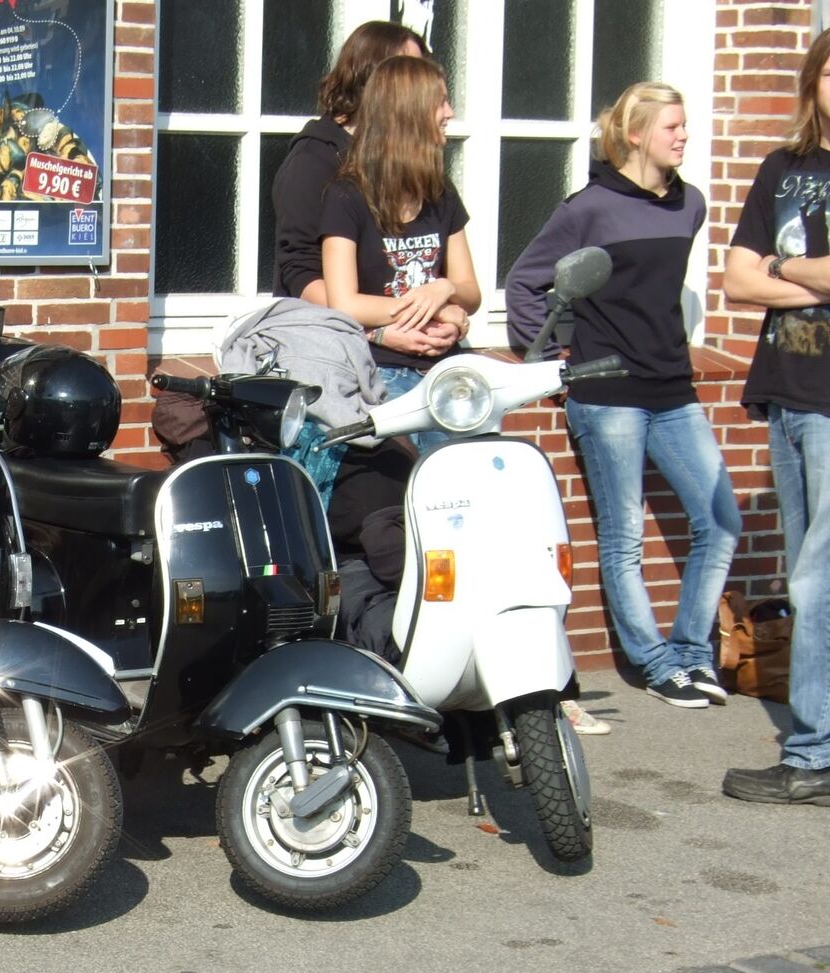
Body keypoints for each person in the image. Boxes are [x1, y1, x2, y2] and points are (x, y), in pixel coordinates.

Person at [507, 82, 739, 712]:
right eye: (672, 127)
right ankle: (655, 663)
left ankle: (692, 653)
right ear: (636, 135)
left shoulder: (690, 204)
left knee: (721, 521)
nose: (684, 136)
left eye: (685, 125)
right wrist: (549, 359)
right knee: (624, 536)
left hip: (673, 388)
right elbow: (526, 281)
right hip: (607, 392)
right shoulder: (590, 208)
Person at [721, 30, 830, 804]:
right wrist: (809, 276)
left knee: (817, 580)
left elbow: (763, 272)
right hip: (786, 393)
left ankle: (814, 755)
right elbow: (736, 280)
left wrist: (779, 268)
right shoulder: (781, 168)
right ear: (813, 80)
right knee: (807, 574)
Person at [270, 22, 468, 356]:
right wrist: (376, 330)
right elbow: (300, 271)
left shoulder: (417, 169)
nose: (419, 80)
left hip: (422, 344)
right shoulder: (314, 161)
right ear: (377, 78)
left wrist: (445, 307)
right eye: (407, 68)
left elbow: (441, 272)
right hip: (340, 350)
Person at [317, 54, 481, 402]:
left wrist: (444, 288)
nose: (450, 112)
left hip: (445, 372)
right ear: (409, 112)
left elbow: (471, 293)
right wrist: (440, 309)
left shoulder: (441, 192)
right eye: (441, 102)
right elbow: (343, 304)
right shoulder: (346, 195)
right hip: (380, 373)